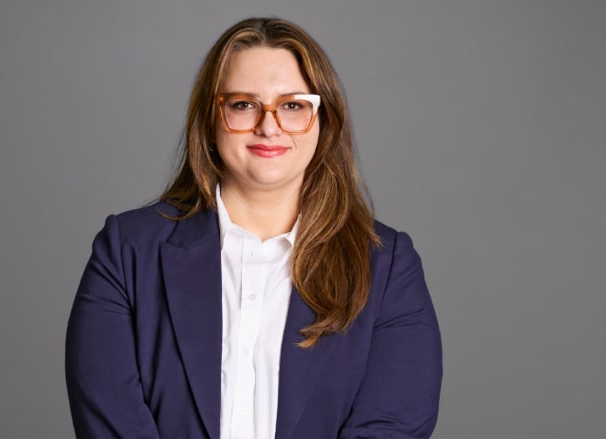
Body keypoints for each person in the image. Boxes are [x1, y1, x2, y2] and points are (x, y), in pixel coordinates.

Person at [65, 16, 442, 438]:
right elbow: (111, 422)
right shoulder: (126, 252)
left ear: (324, 120)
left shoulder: (387, 268)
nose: (269, 125)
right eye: (243, 104)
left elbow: (392, 426)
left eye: (293, 105)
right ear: (211, 118)